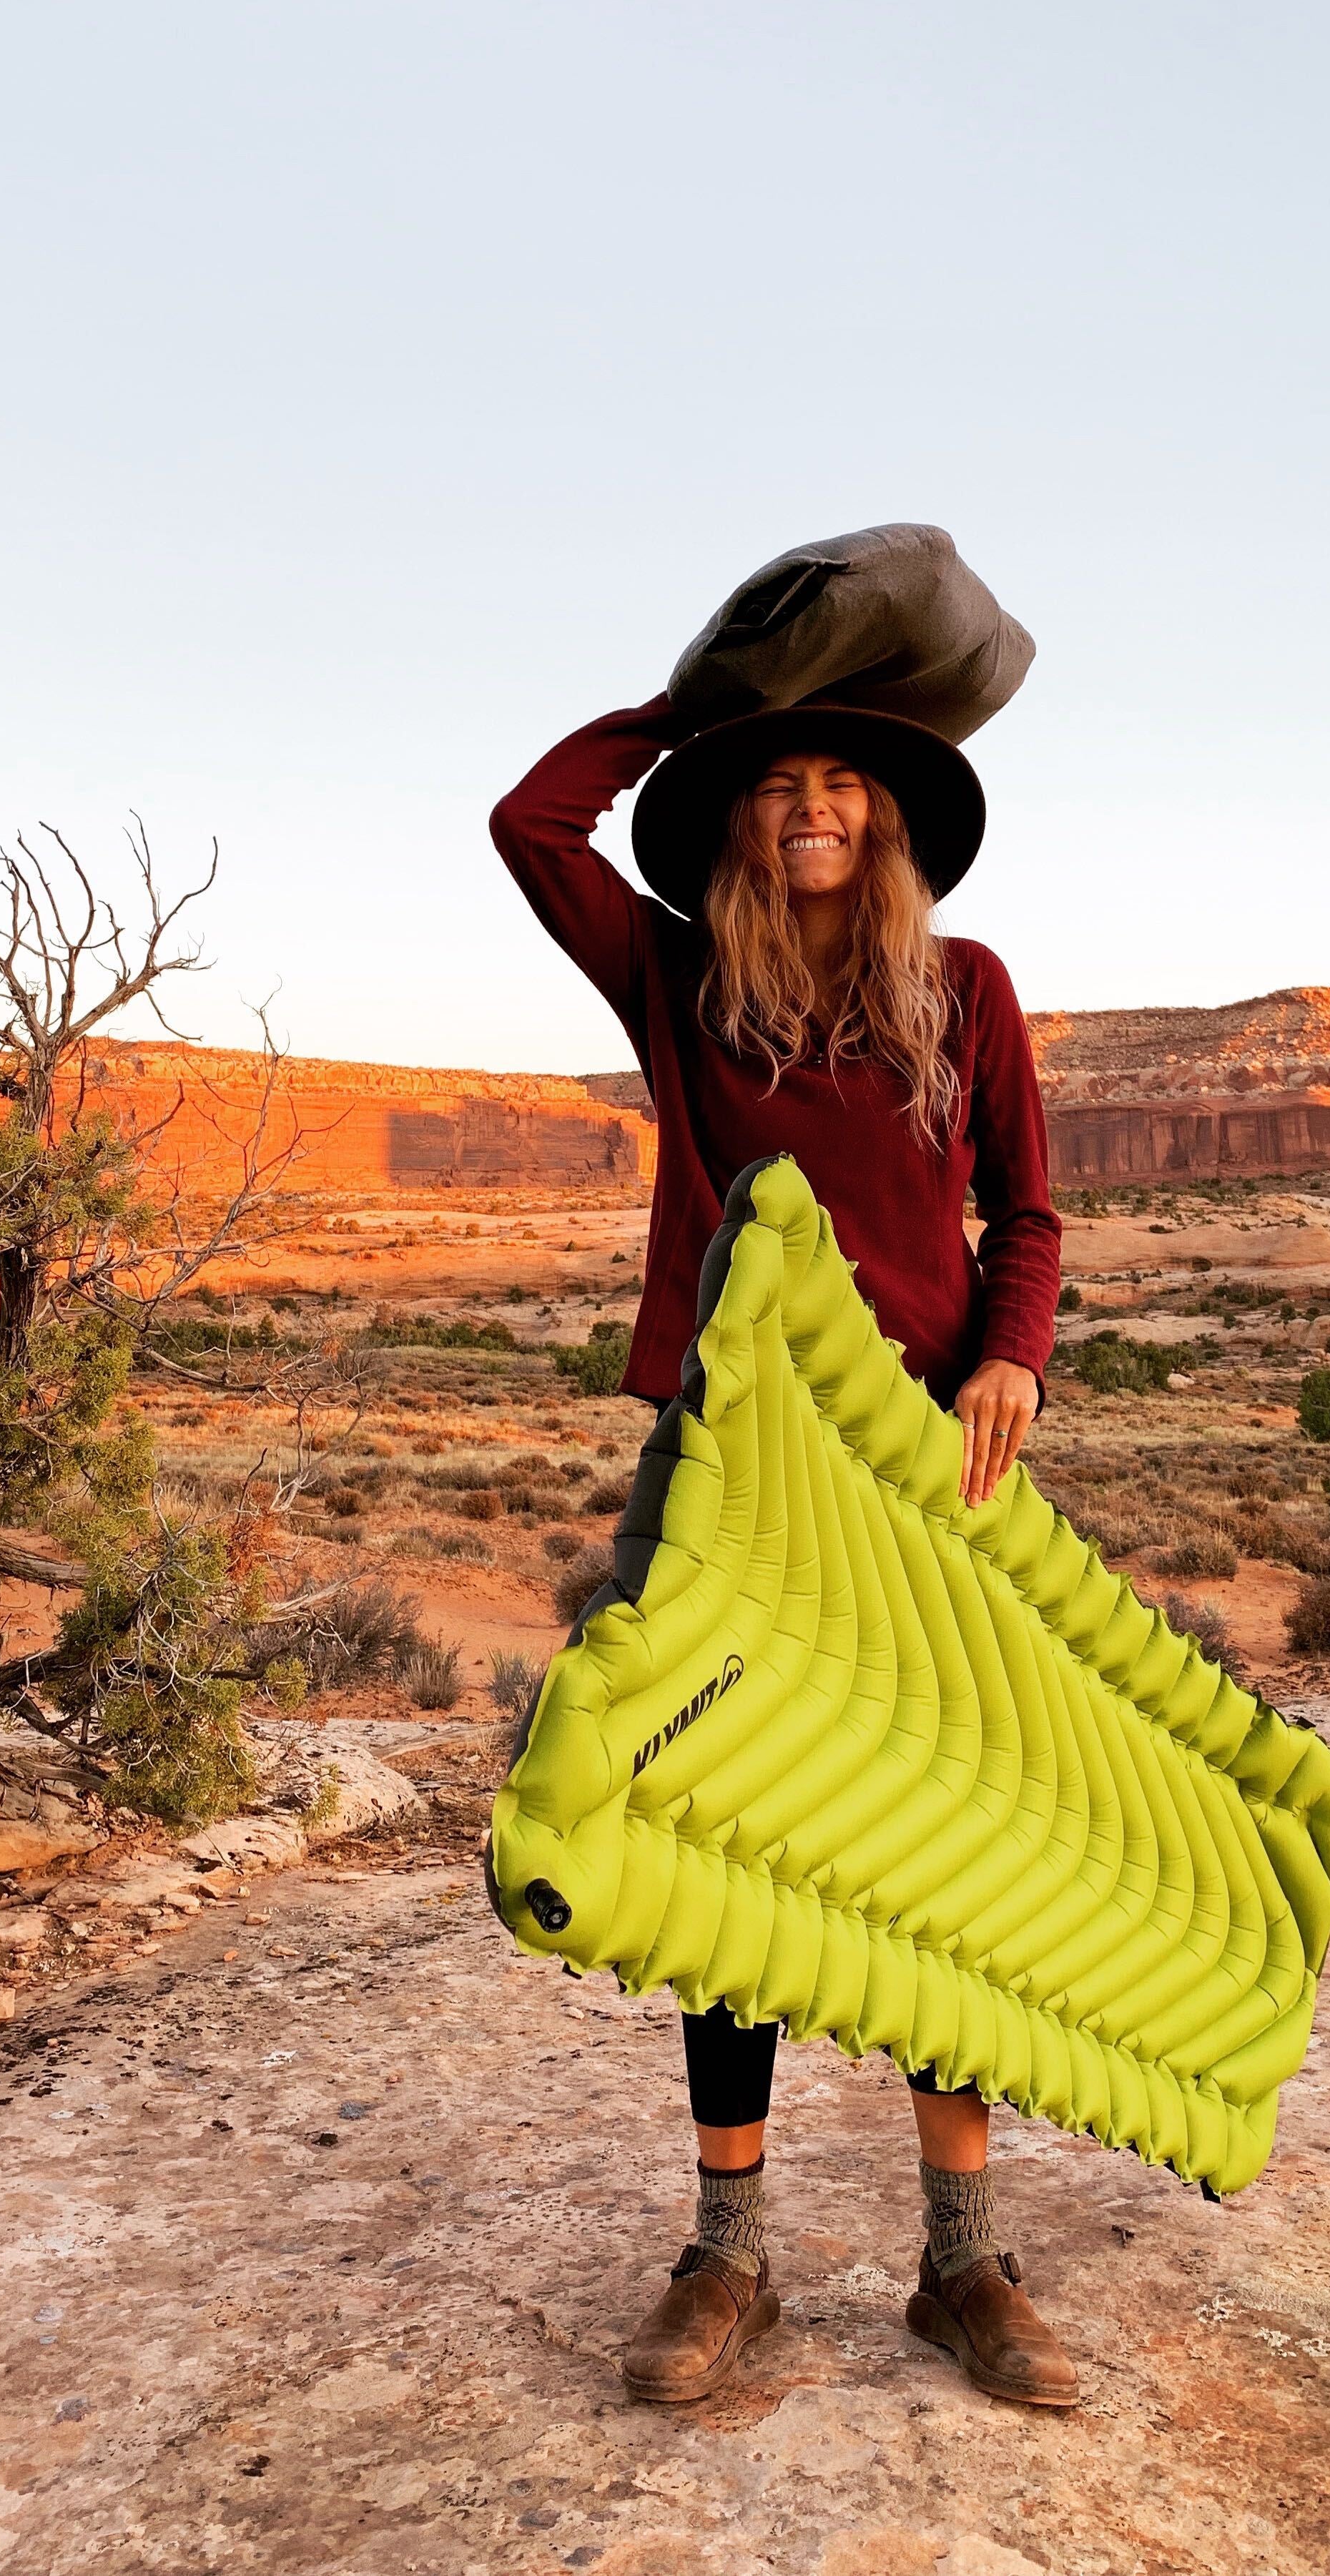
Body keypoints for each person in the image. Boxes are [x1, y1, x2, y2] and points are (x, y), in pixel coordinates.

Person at [491, 694, 1077, 2409]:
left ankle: (962, 2263)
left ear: (884, 822)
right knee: (722, 1832)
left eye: (841, 784)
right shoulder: (681, 981)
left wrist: (1012, 1357)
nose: (810, 808)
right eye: (776, 785)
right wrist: (688, 715)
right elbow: (533, 826)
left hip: (920, 1470)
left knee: (942, 1844)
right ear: (737, 819)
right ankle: (728, 2255)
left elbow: (1028, 1214)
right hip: (732, 1466)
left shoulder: (965, 992)